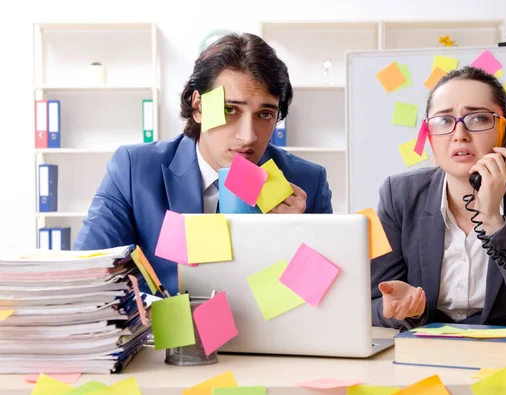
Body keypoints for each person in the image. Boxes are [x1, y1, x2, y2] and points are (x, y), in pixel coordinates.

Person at [74, 32, 333, 295]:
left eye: (265, 114)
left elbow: (325, 298)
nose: (249, 136)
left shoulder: (307, 182)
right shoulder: (133, 170)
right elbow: (88, 280)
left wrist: (295, 237)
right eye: (230, 110)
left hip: (269, 334)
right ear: (198, 106)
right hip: (164, 334)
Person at [371, 66, 506, 330]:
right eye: (444, 121)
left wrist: (494, 221)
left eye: (479, 118)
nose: (459, 134)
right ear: (428, 136)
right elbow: (373, 303)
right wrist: (404, 310)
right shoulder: (398, 195)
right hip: (425, 348)